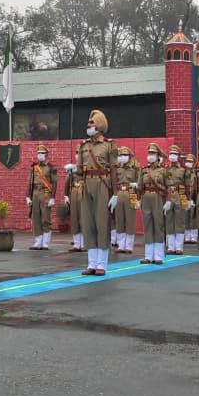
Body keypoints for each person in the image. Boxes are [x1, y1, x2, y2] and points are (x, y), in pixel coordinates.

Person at [78, 110, 115, 275]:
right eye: (88, 125)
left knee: (101, 223)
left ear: (99, 126)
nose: (88, 127)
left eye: (91, 124)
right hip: (86, 185)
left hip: (102, 184)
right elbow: (80, 169)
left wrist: (114, 193)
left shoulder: (109, 145)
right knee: (88, 224)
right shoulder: (83, 145)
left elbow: (114, 169)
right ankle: (91, 262)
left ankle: (102, 263)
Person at [139, 142, 169, 264]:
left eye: (153, 153)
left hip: (158, 198)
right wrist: (138, 199)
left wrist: (169, 202)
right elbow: (140, 186)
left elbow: (169, 187)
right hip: (146, 198)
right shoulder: (144, 170)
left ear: (158, 156)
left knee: (158, 225)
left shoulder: (163, 170)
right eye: (149, 153)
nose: (150, 155)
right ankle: (148, 256)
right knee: (147, 226)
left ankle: (158, 255)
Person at [27, 144, 58, 250]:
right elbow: (30, 183)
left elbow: (54, 183)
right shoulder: (34, 167)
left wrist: (53, 197)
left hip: (45, 194)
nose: (39, 155)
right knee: (35, 218)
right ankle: (38, 241)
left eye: (42, 153)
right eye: (38, 153)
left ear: (46, 155)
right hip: (35, 193)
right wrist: (28, 196)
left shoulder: (51, 167)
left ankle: (45, 242)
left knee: (45, 218)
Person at [112, 145, 139, 254]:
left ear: (129, 156)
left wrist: (138, 198)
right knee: (119, 220)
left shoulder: (135, 168)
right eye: (120, 155)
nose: (122, 157)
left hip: (130, 193)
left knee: (129, 220)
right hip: (119, 194)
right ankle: (121, 245)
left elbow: (139, 182)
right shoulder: (116, 168)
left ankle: (128, 246)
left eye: (124, 155)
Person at [164, 144, 187, 256]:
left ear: (178, 156)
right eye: (171, 154)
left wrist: (188, 199)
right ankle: (171, 246)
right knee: (169, 221)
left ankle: (179, 247)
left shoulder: (183, 170)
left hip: (179, 194)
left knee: (179, 221)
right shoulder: (165, 169)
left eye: (175, 154)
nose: (172, 156)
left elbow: (188, 184)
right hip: (168, 195)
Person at [64, 158, 85, 252]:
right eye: (77, 154)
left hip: (84, 193)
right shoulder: (72, 168)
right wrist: (66, 195)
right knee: (75, 219)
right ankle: (77, 244)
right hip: (74, 193)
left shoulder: (88, 168)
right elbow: (67, 182)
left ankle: (85, 244)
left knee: (84, 219)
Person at [183, 153, 199, 246]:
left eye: (190, 161)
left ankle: (193, 236)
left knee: (193, 216)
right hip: (184, 196)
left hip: (193, 196)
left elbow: (197, 185)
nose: (188, 163)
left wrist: (193, 198)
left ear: (194, 163)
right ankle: (187, 235)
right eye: (187, 161)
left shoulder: (196, 172)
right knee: (185, 216)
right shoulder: (183, 172)